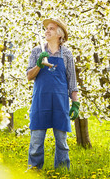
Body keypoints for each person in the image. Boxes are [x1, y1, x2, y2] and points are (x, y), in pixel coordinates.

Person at [26, 18, 80, 170]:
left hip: (60, 103)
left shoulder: (67, 54)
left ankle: (62, 171)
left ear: (59, 34)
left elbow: (72, 82)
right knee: (36, 142)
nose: (47, 31)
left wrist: (75, 103)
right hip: (40, 102)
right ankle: (34, 170)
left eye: (51, 28)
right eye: (46, 28)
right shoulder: (37, 51)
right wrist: (38, 65)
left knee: (62, 143)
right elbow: (29, 76)